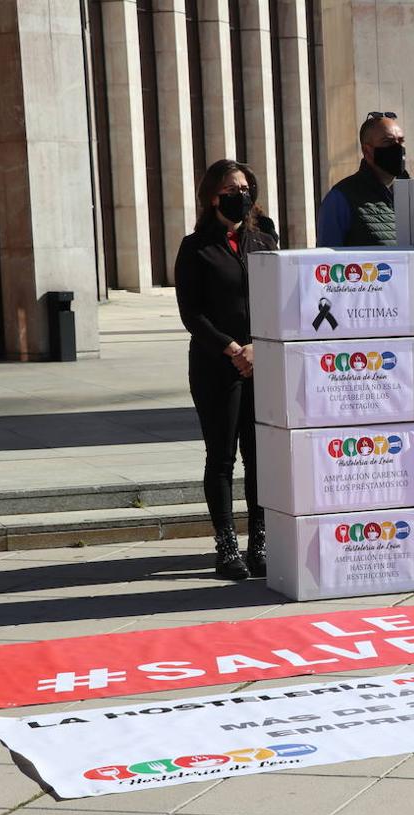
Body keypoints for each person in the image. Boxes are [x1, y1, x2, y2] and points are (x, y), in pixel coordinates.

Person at [174, 160, 279, 579]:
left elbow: (278, 298)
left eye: (245, 188)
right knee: (221, 458)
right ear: (212, 197)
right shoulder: (196, 247)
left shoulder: (264, 240)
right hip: (216, 364)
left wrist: (259, 348)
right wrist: (234, 349)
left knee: (259, 457)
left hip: (262, 363)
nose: (240, 196)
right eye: (231, 190)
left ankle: (260, 542)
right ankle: (226, 546)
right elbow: (191, 313)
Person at [316, 111, 408, 247]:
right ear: (367, 151)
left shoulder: (413, 195)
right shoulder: (341, 199)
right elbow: (327, 261)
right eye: (388, 142)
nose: (398, 148)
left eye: (401, 141)